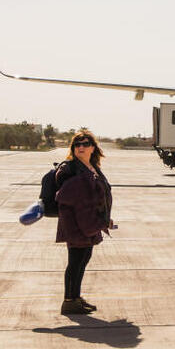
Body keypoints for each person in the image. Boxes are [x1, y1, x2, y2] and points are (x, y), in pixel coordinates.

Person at [56, 130, 114, 315]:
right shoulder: (70, 168)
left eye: (85, 144)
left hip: (91, 221)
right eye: (77, 144)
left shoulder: (92, 166)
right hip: (76, 222)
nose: (81, 147)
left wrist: (104, 218)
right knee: (75, 261)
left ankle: (76, 298)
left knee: (83, 259)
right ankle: (69, 301)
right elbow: (64, 195)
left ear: (93, 148)